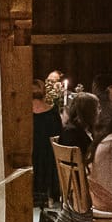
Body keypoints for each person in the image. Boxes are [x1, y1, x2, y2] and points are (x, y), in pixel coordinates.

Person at [31, 79, 62, 208]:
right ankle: (49, 196)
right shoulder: (53, 112)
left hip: (31, 151)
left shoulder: (23, 115)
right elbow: (59, 135)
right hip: (50, 154)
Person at [58, 91, 100, 159]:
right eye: (97, 108)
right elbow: (81, 158)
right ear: (89, 111)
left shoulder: (87, 128)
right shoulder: (71, 133)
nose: (99, 111)